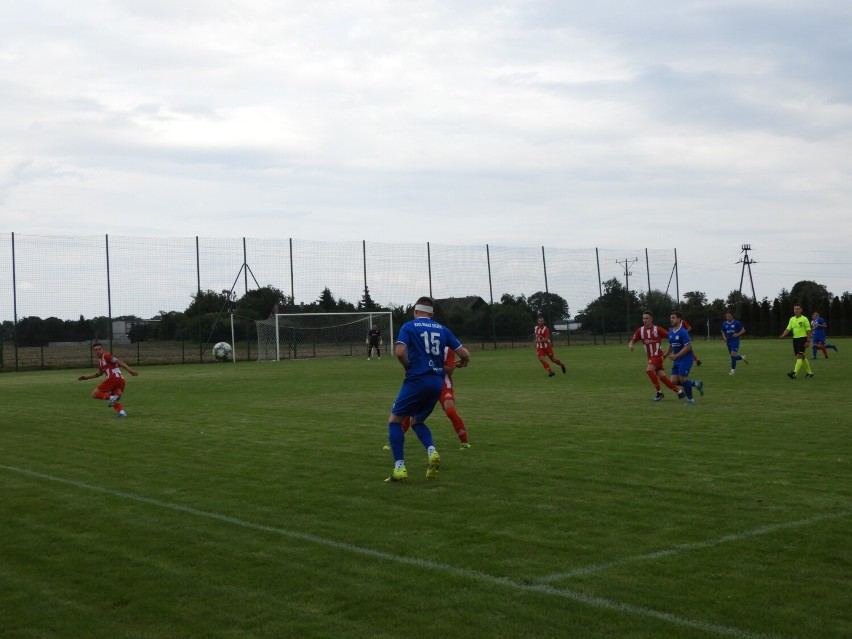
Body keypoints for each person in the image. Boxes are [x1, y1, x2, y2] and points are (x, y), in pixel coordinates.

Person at [385, 296, 471, 482]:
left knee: (394, 421)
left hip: (417, 379)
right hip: (436, 382)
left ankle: (399, 468)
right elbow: (464, 354)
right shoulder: (443, 329)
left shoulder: (409, 326)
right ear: (432, 313)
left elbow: (400, 352)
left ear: (416, 311)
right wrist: (464, 362)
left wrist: (407, 366)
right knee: (417, 421)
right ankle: (432, 452)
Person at [388, 346, 471, 449]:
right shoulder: (422, 347)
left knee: (450, 411)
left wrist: (433, 365)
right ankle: (393, 442)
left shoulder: (446, 349)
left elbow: (450, 370)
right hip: (425, 384)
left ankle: (464, 442)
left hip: (444, 386)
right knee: (408, 412)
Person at [628, 311, 684, 401]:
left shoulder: (658, 329)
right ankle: (680, 392)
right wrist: (631, 345)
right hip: (651, 357)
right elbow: (633, 340)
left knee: (649, 370)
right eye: (643, 318)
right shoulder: (640, 331)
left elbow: (671, 337)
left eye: (647, 318)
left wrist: (679, 343)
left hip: (658, 354)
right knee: (662, 377)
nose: (645, 320)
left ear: (651, 319)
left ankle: (659, 392)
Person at [77, 342, 140, 417]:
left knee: (94, 394)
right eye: (96, 350)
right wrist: (86, 377)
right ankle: (122, 413)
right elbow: (99, 373)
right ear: (94, 351)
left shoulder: (106, 356)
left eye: (99, 349)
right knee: (113, 399)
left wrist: (130, 370)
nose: (98, 351)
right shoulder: (101, 361)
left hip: (113, 379)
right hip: (121, 381)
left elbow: (118, 361)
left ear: (102, 349)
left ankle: (113, 398)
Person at [663, 311, 704, 405]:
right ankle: (696, 384)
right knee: (673, 381)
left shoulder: (683, 332)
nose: (671, 319)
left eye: (673, 317)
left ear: (679, 319)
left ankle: (691, 400)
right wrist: (664, 356)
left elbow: (688, 347)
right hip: (677, 359)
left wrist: (676, 356)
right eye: (671, 318)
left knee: (682, 379)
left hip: (686, 358)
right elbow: (670, 346)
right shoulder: (670, 332)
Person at [780, 304, 813, 379]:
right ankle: (810, 373)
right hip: (795, 340)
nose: (796, 310)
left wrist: (808, 341)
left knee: (799, 356)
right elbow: (788, 329)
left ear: (801, 310)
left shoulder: (804, 319)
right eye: (794, 309)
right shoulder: (792, 319)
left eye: (797, 309)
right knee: (802, 357)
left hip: (803, 339)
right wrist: (783, 335)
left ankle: (794, 373)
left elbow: (809, 330)